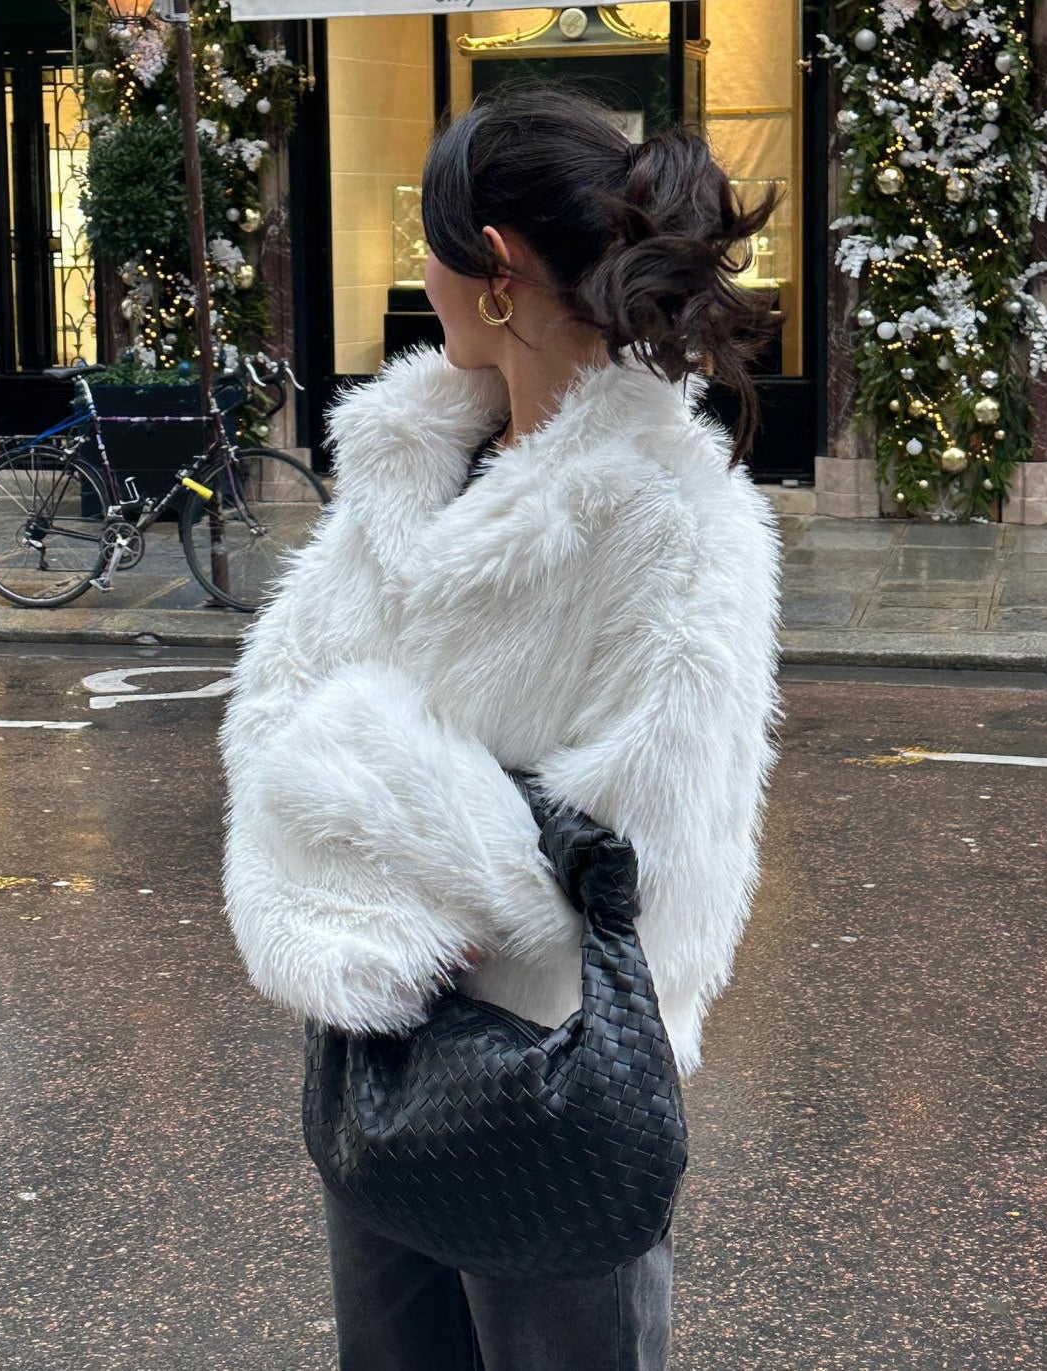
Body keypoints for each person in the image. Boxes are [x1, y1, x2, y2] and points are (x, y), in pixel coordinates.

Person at [220, 81, 784, 1371]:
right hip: (379, 1050)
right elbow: (279, 708)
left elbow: (646, 874)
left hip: (548, 1080)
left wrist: (370, 780)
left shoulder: (674, 520)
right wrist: (370, 859)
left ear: (493, 268)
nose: (413, 275)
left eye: (426, 244)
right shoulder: (414, 463)